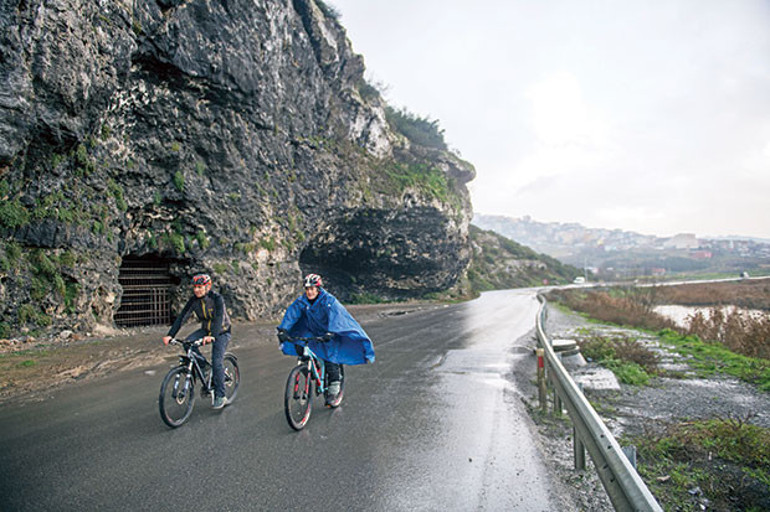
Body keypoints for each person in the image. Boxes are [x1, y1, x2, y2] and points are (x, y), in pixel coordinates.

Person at [277, 273, 375, 405]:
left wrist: (331, 332)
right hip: (312, 331)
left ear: (318, 289)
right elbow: (291, 314)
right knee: (301, 347)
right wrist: (283, 329)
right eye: (307, 289)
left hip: (329, 332)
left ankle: (334, 390)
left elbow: (337, 317)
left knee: (330, 357)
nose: (309, 292)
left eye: (312, 289)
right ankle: (309, 370)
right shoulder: (302, 301)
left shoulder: (329, 301)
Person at [163, 273, 232, 409]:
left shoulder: (217, 299)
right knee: (188, 344)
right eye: (195, 287)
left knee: (217, 361)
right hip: (205, 330)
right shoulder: (193, 301)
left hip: (222, 332)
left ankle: (221, 396)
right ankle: (203, 366)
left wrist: (213, 335)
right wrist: (170, 335)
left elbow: (218, 319)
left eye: (200, 287)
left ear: (208, 286)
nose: (196, 290)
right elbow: (182, 317)